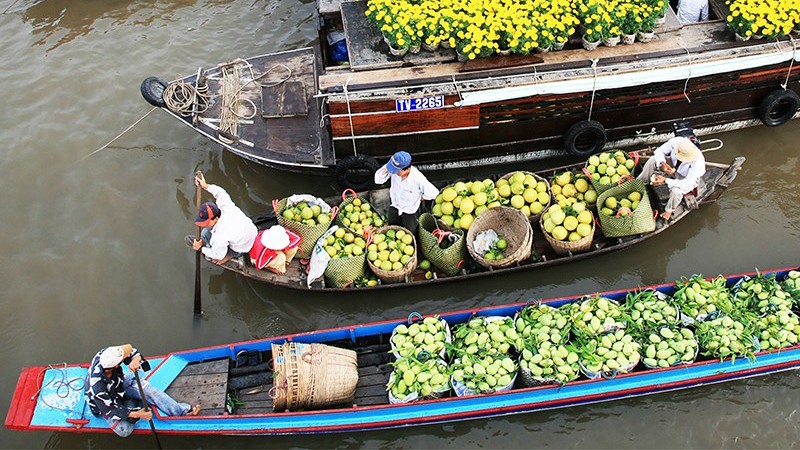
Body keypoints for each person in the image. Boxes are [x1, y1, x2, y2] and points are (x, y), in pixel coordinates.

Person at [85, 344, 200, 437]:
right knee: (125, 430)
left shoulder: (106, 354)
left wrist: (135, 360)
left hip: (119, 383)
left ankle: (181, 412)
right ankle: (132, 405)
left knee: (150, 391)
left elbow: (132, 351)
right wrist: (138, 414)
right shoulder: (97, 387)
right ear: (116, 366)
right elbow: (111, 410)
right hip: (108, 403)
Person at [192, 172, 258, 265]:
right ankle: (205, 243)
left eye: (206, 222)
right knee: (206, 232)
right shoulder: (225, 206)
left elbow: (217, 255)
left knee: (205, 233)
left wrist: (201, 249)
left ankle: (230, 254)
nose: (204, 224)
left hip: (243, 246)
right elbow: (220, 192)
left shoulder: (219, 236)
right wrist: (206, 186)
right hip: (251, 230)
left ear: (215, 219)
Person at [637, 136, 706, 221]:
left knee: (676, 192)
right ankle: (641, 182)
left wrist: (665, 180)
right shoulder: (677, 142)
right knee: (653, 160)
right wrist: (662, 163)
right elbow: (659, 151)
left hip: (685, 178)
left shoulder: (698, 162)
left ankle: (669, 210)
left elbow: (688, 182)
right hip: (673, 166)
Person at [373, 150, 439, 233]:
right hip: (395, 205)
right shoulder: (392, 168)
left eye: (397, 171)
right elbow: (378, 180)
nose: (394, 172)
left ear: (407, 169)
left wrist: (420, 198)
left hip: (410, 209)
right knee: (392, 227)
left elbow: (434, 193)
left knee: (411, 231)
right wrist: (387, 168)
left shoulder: (418, 178)